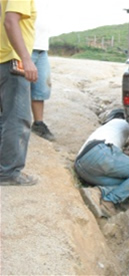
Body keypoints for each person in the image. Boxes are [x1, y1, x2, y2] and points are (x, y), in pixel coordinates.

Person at [74, 115, 129, 218]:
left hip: (82, 167)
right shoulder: (121, 122)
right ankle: (108, 201)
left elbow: (120, 157)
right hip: (99, 154)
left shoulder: (109, 133)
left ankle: (96, 192)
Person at [0, 0, 38, 186]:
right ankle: (8, 173)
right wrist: (26, 59)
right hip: (12, 61)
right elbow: (10, 21)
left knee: (4, 118)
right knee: (17, 118)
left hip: (3, 59)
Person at [30, 0, 55, 141]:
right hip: (25, 46)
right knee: (16, 88)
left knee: (41, 89)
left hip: (42, 48)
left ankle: (38, 123)